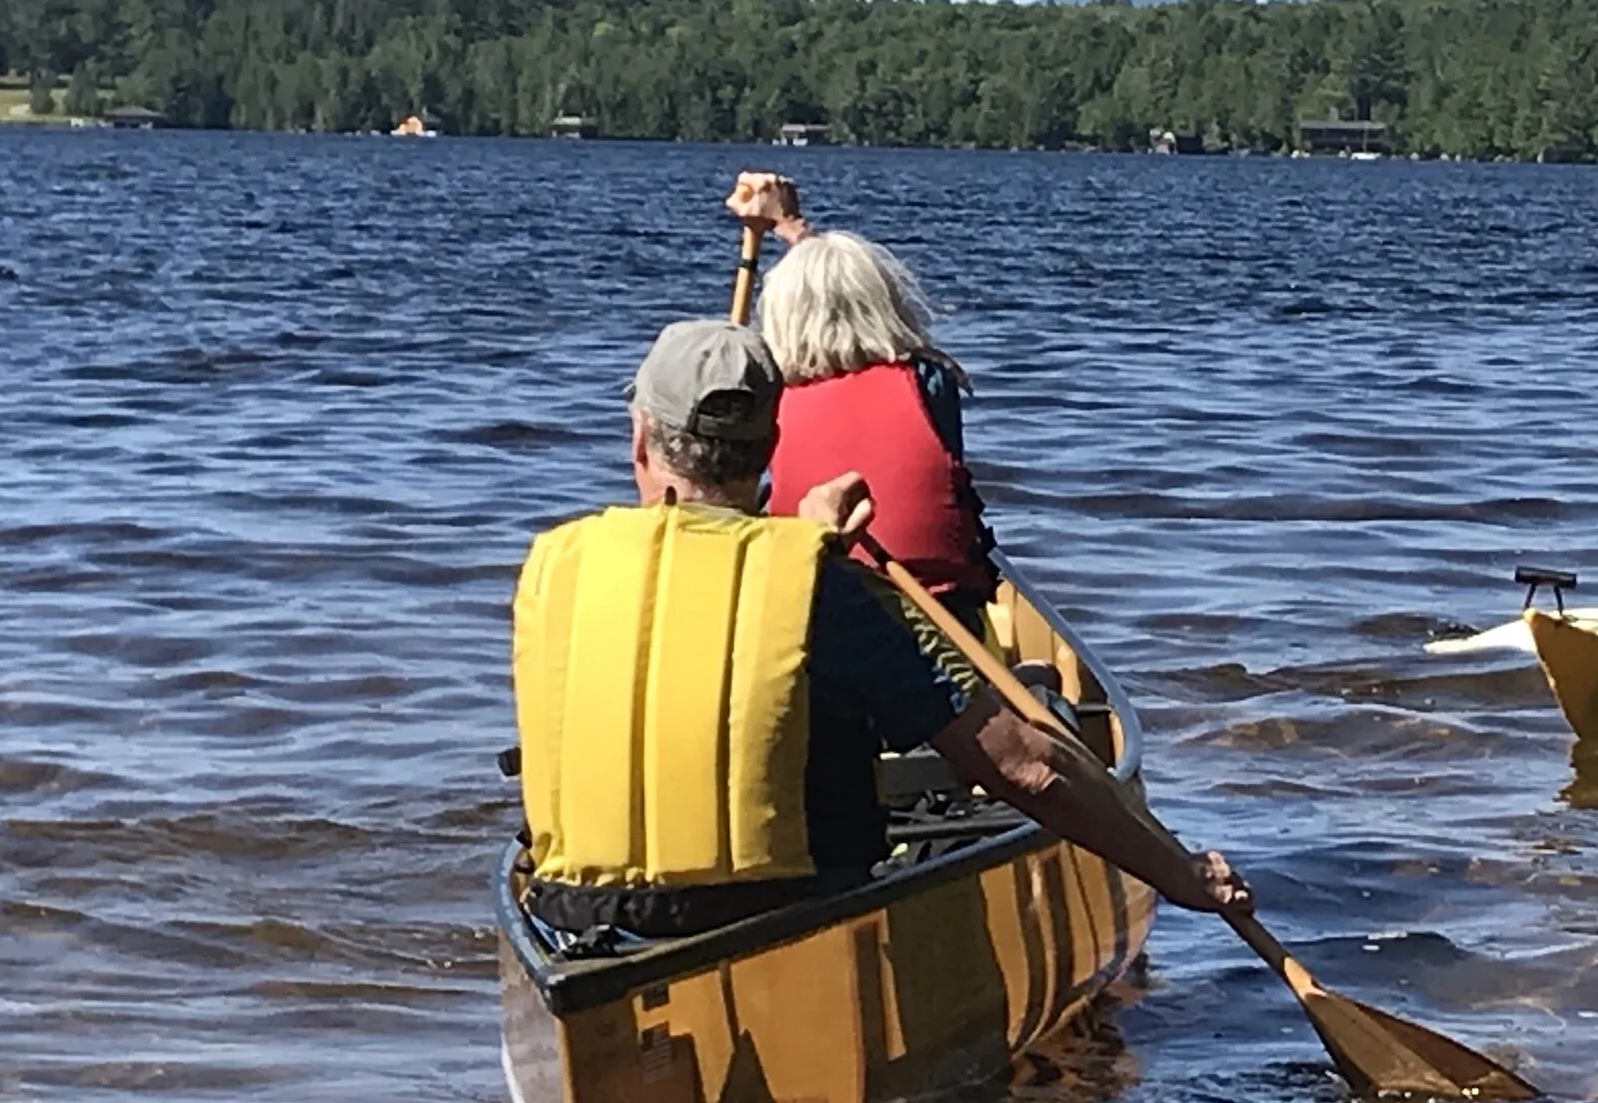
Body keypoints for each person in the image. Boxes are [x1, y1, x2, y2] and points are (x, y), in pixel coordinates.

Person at [509, 317, 1247, 940]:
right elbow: (1027, 767)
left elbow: (700, 607)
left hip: (570, 920)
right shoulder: (817, 588)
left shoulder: (554, 565)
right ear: (770, 450)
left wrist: (797, 546)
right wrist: (1176, 872)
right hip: (769, 924)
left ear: (639, 439)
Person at [725, 171, 999, 626]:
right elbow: (835, 298)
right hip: (939, 621)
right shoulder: (929, 383)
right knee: (1041, 678)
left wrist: (788, 231)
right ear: (881, 303)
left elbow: (808, 308)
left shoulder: (764, 395)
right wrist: (792, 227)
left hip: (810, 622)